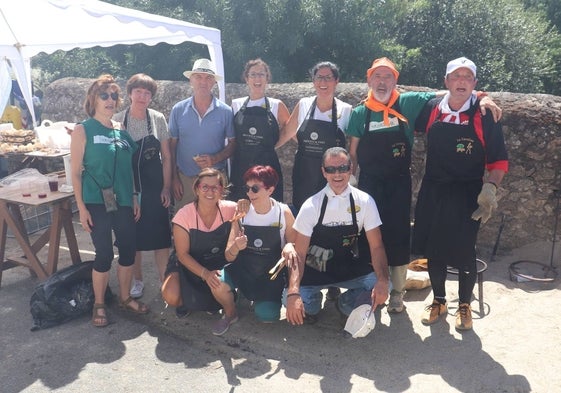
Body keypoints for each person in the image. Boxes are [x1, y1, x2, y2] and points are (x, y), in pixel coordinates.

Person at [347, 57, 503, 314]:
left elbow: (452, 92)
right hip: (371, 185)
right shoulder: (360, 113)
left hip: (400, 182)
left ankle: (397, 292)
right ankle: (369, 289)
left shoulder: (409, 102)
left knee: (398, 236)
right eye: (377, 76)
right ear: (369, 80)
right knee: (369, 237)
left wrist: (481, 96)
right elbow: (352, 153)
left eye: (388, 76)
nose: (382, 82)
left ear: (396, 81)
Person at [412, 57, 508, 331]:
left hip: (468, 192)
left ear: (475, 83)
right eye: (456, 76)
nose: (462, 82)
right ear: (446, 82)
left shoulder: (485, 114)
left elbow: (499, 160)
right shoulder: (432, 108)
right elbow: (398, 104)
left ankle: (464, 305)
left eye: (468, 78)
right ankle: (439, 300)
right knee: (434, 249)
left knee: (465, 250)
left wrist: (490, 188)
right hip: (434, 188)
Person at [70, 74, 148, 328]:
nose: (111, 100)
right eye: (105, 95)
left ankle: (125, 298)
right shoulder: (83, 130)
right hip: (96, 202)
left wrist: (135, 196)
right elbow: (75, 172)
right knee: (103, 253)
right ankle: (99, 303)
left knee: (127, 249)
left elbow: (130, 170)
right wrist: (81, 208)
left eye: (114, 96)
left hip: (124, 200)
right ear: (93, 99)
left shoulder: (121, 130)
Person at [285, 147, 390, 326]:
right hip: (315, 268)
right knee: (288, 299)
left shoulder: (365, 201)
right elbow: (300, 254)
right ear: (323, 172)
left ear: (351, 168)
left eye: (342, 168)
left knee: (385, 286)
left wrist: (382, 280)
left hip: (348, 266)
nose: (337, 174)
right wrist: (293, 292)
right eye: (331, 169)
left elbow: (376, 246)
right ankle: (314, 304)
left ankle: (345, 304)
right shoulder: (311, 206)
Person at [210, 165, 298, 335]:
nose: (249, 193)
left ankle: (254, 297)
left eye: (255, 188)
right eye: (247, 188)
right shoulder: (242, 211)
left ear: (270, 189)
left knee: (267, 317)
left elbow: (296, 246)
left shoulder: (283, 212)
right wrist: (236, 246)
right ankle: (230, 313)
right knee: (217, 283)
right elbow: (228, 255)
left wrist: (289, 245)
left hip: (270, 275)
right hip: (243, 269)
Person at [114, 73, 172, 299]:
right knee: (133, 238)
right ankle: (137, 281)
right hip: (128, 186)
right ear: (129, 94)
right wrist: (130, 194)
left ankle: (165, 281)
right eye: (138, 91)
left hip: (155, 184)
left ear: (151, 98)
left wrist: (166, 187)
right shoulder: (118, 121)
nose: (142, 96)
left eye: (147, 93)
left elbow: (166, 156)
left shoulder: (157, 118)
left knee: (161, 237)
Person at [276, 61, 352, 212]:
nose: (323, 82)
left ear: (336, 81)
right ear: (313, 81)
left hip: (332, 176)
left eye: (328, 77)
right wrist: (266, 150)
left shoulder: (346, 110)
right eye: (319, 77)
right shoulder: (304, 104)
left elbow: (351, 146)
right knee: (304, 213)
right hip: (304, 173)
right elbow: (287, 133)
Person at [170, 168, 241, 324]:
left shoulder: (230, 209)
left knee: (218, 285)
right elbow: (182, 255)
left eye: (215, 187)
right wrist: (205, 274)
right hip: (188, 264)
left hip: (216, 262)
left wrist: (246, 204)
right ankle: (186, 302)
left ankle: (215, 301)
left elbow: (248, 207)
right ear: (197, 189)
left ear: (221, 190)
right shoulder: (184, 215)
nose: (210, 191)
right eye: (205, 187)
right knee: (171, 295)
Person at [169, 58, 235, 211]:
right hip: (185, 179)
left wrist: (215, 159)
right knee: (184, 226)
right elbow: (171, 147)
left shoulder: (225, 111)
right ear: (191, 80)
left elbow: (233, 144)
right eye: (198, 77)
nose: (203, 81)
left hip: (215, 180)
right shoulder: (178, 110)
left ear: (213, 82)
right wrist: (174, 178)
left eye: (208, 77)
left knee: (216, 226)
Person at [229, 59, 290, 202]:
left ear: (267, 78)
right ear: (246, 78)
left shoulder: (276, 105)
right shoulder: (236, 104)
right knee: (240, 211)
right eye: (253, 74)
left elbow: (290, 131)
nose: (257, 78)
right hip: (240, 167)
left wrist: (274, 144)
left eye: (261, 74)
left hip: (267, 169)